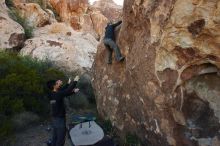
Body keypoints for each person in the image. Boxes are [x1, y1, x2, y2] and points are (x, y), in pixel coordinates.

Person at [47, 76, 80, 146]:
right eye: (56, 83)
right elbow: (66, 91)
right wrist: (75, 81)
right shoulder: (57, 94)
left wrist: (73, 91)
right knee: (61, 138)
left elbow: (64, 92)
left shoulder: (52, 93)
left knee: (55, 135)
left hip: (54, 118)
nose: (58, 83)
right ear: (54, 86)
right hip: (59, 119)